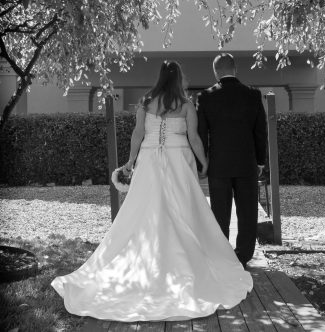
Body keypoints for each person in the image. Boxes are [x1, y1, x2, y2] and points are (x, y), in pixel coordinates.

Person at [51, 60, 252, 322]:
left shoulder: (146, 102)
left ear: (160, 78)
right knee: (183, 209)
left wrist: (131, 162)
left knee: (146, 209)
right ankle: (183, 260)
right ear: (179, 78)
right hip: (179, 161)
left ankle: (149, 257)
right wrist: (204, 161)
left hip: (149, 162)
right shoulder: (186, 104)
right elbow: (194, 138)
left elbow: (138, 134)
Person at [197, 53, 267, 269]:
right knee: (247, 212)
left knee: (220, 211)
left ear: (215, 71)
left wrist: (203, 163)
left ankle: (221, 254)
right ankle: (243, 256)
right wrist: (260, 161)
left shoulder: (206, 97)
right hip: (246, 162)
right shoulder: (253, 95)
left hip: (219, 164)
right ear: (235, 69)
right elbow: (260, 131)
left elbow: (201, 134)